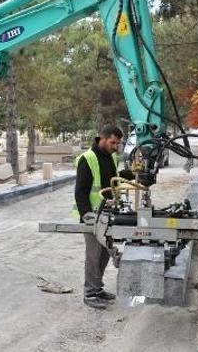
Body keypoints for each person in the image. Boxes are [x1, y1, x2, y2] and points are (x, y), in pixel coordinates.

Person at [73, 125, 134, 309]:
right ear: (102, 138)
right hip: (93, 214)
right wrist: (86, 216)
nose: (116, 146)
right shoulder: (87, 159)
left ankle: (97, 289)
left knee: (104, 255)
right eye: (113, 142)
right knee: (93, 255)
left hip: (108, 213)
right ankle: (90, 293)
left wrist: (133, 174)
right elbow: (80, 192)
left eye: (118, 143)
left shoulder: (111, 156)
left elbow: (112, 178)